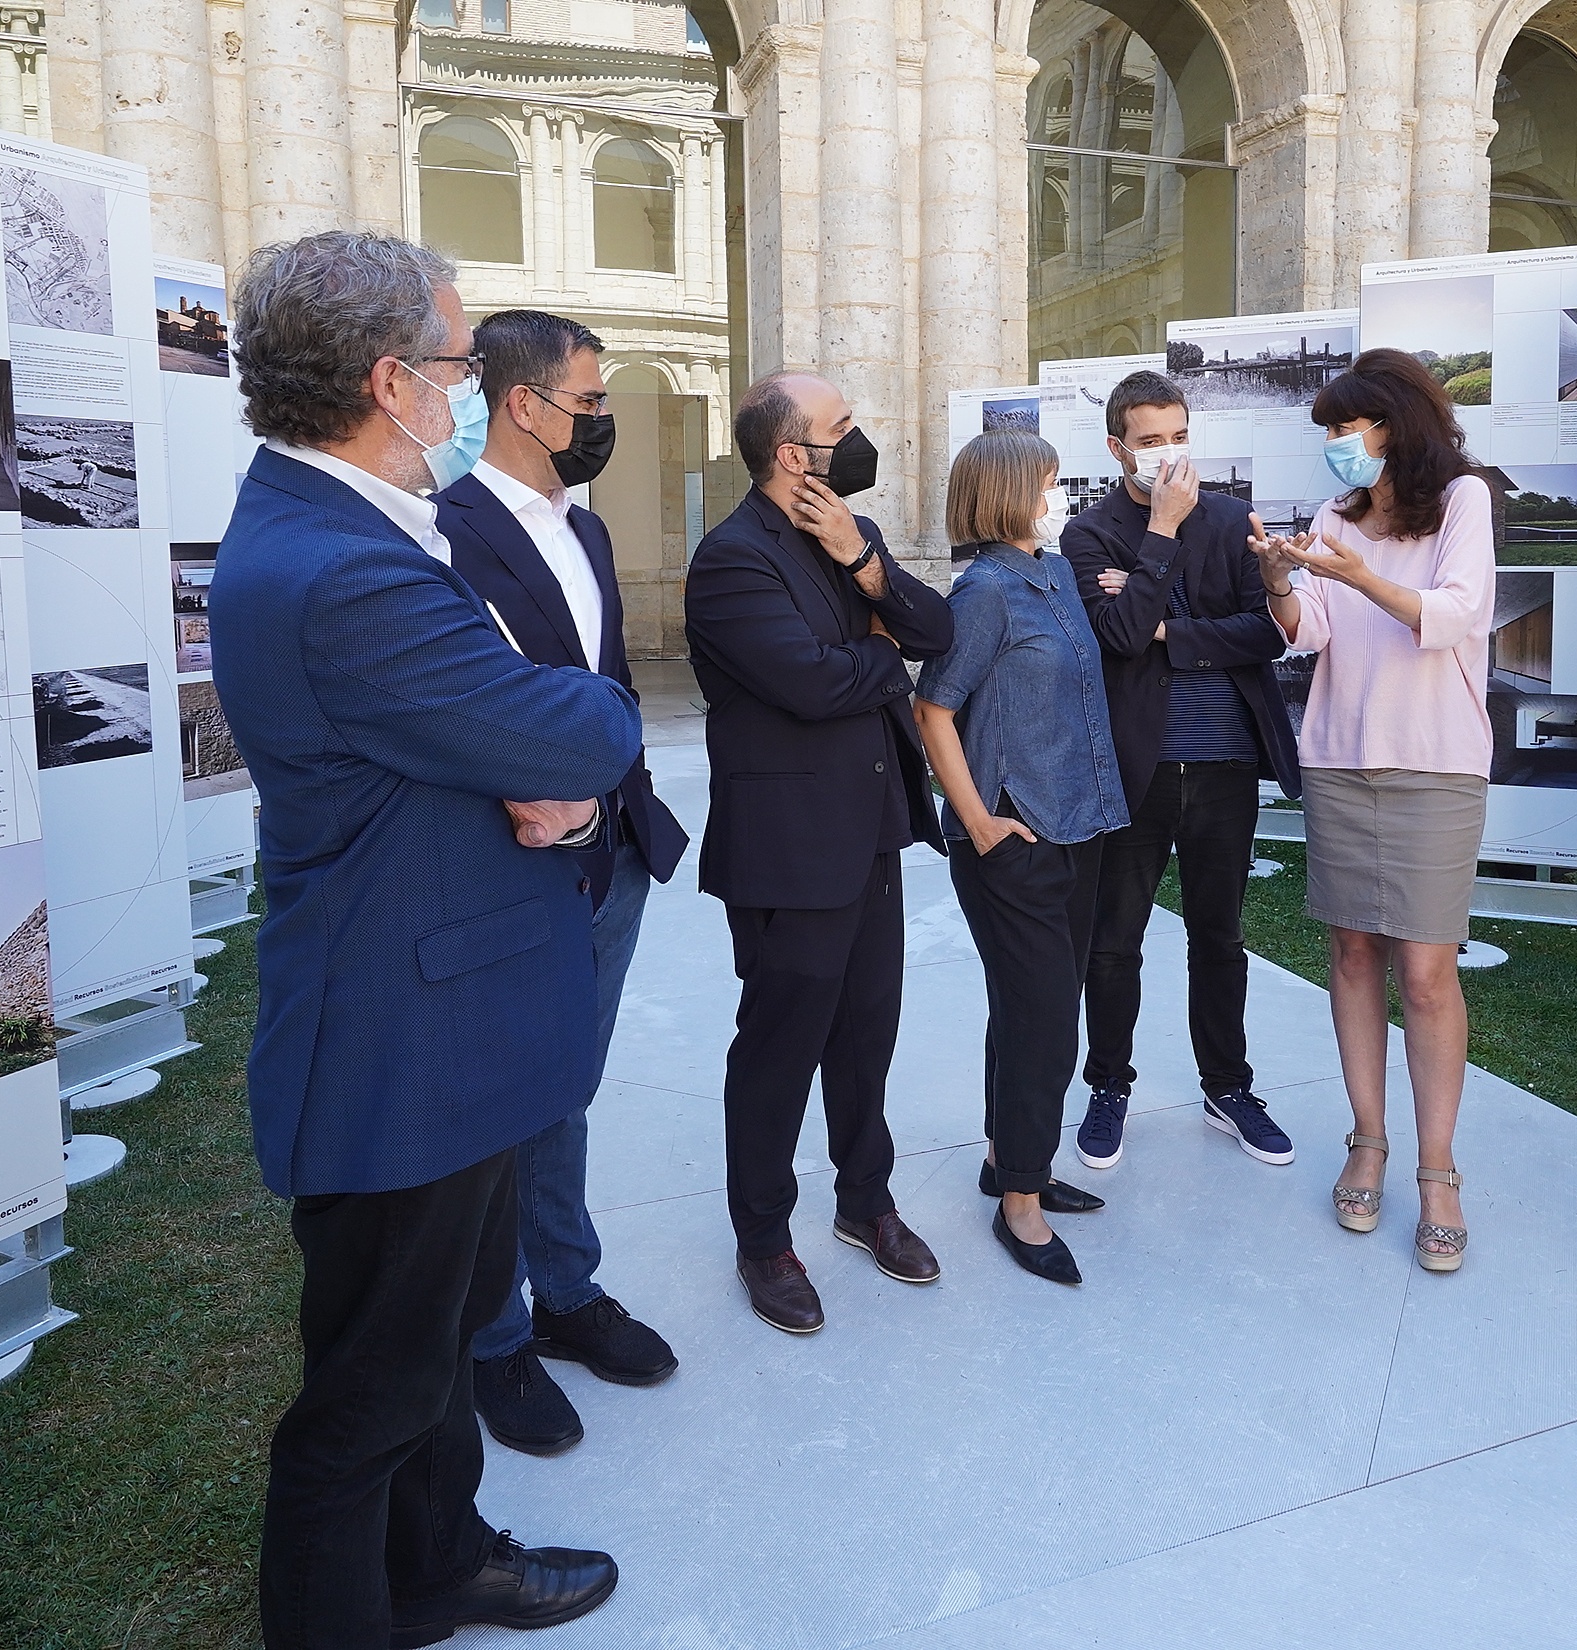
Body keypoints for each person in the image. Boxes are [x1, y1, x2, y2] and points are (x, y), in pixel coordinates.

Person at [211, 232, 638, 1648]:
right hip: (402, 1041)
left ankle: (440, 1564)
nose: (468, 388)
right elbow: (584, 725)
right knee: (369, 1396)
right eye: (457, 362)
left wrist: (528, 756)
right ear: (392, 383)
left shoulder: (347, 525)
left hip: (443, 1014)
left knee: (441, 1342)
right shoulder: (345, 569)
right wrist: (560, 735)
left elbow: (499, 739)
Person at [433, 308, 690, 1456]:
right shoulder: (443, 534)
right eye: (590, 402)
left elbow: (607, 679)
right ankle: (493, 1336)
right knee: (500, 1099)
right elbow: (457, 708)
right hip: (516, 862)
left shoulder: (584, 531)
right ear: (522, 405)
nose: (602, 420)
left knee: (565, 1089)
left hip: (612, 856)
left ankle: (567, 1293)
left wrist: (619, 805)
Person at [684, 370, 955, 1333]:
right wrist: (881, 653)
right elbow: (808, 682)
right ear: (792, 453)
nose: (860, 436)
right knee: (779, 1049)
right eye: (843, 425)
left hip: (871, 829)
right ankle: (763, 1240)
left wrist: (867, 570)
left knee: (865, 1034)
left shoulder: (849, 529)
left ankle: (863, 1202)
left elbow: (937, 629)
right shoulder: (731, 559)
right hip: (789, 849)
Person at [1254, 348, 1494, 1275]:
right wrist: (1280, 580)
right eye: (1326, 429)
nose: (1333, 443)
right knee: (1352, 951)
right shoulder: (1334, 516)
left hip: (1434, 761)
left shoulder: (1462, 499)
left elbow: (1453, 615)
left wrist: (1355, 577)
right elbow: (1309, 632)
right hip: (1338, 759)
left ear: (1393, 425)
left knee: (1426, 973)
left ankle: (1438, 1171)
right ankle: (1367, 1141)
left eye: (1343, 426)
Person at [1060, 371, 1305, 1175]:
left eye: (1177, 436)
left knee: (1219, 936)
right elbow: (1115, 639)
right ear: (1115, 448)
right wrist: (1160, 533)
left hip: (1225, 763)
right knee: (1113, 942)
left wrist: (1164, 623)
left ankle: (1227, 1088)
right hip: (1135, 768)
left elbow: (1264, 633)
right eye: (1149, 441)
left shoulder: (1231, 520)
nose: (1167, 453)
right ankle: (1107, 1086)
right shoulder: (1089, 534)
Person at [915, 431, 1130, 1283]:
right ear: (1009, 492)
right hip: (1014, 836)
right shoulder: (984, 592)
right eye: (1047, 482)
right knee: (1042, 1023)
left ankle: (1008, 1160)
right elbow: (933, 709)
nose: (1057, 496)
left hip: (1079, 825)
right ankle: (1020, 1205)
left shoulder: (1056, 574)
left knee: (1031, 1013)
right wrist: (976, 821)